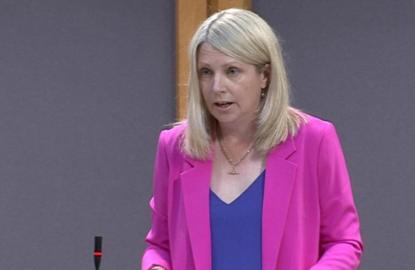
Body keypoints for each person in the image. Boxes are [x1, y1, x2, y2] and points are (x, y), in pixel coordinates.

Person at [142, 8, 363, 270]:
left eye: (232, 71)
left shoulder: (314, 140)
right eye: (206, 72)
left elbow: (344, 242)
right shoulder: (175, 146)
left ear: (265, 76)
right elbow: (160, 245)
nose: (217, 87)